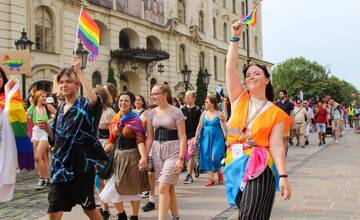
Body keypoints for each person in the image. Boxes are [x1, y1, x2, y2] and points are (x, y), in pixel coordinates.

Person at [223, 21, 291, 219]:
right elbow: (229, 68)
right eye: (248, 74)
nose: (251, 76)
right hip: (234, 164)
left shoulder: (277, 113)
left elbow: (277, 145)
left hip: (260, 166)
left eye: (257, 73)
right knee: (248, 213)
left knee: (249, 216)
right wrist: (235, 37)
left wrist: (284, 176)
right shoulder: (238, 99)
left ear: (267, 80)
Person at [38, 56, 108, 220]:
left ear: (77, 85)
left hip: (81, 168)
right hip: (60, 167)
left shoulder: (85, 105)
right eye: (61, 82)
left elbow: (95, 100)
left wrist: (79, 72)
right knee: (53, 211)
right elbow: (56, 138)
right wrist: (48, 129)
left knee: (89, 209)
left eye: (68, 81)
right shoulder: (60, 109)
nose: (64, 85)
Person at [100, 91, 149, 220]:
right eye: (121, 100)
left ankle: (134, 216)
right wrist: (99, 153)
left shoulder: (135, 119)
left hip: (131, 156)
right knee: (111, 187)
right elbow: (112, 141)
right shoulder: (116, 119)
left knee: (133, 190)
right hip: (117, 156)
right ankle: (122, 215)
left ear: (131, 104)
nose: (123, 103)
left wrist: (143, 157)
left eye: (126, 101)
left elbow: (140, 141)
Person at [145, 83, 186, 220]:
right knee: (169, 188)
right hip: (157, 151)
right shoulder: (151, 114)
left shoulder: (176, 112)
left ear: (165, 95)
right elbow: (149, 137)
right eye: (152, 94)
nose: (153, 96)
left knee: (162, 187)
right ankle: (176, 216)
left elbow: (182, 136)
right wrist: (144, 157)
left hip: (173, 150)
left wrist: (181, 158)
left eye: (156, 93)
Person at [0, 70, 33, 202]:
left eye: (0, 77)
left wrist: (9, 88)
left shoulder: (7, 99)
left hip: (4, 146)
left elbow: (9, 113)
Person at [95, 86, 116, 220]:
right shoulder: (93, 111)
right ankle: (105, 208)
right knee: (98, 180)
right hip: (95, 145)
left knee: (101, 178)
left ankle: (107, 208)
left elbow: (113, 137)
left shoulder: (109, 113)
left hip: (105, 147)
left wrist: (104, 150)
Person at [196, 96, 226, 186]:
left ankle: (220, 174)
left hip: (218, 137)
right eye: (205, 102)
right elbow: (200, 126)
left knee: (215, 156)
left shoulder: (219, 114)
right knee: (207, 156)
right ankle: (211, 178)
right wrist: (195, 137)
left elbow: (226, 125)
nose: (205, 104)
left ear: (213, 103)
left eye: (207, 102)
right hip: (205, 138)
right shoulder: (204, 114)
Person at [30, 90, 56, 190]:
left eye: (45, 96)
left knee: (37, 157)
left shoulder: (48, 107)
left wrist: (48, 122)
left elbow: (59, 115)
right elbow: (26, 115)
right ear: (37, 97)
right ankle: (47, 178)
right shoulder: (33, 108)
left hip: (45, 132)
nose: (44, 98)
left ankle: (42, 178)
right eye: (42, 96)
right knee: (44, 157)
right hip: (36, 131)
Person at [181, 91, 202, 184]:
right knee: (188, 156)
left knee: (190, 155)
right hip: (184, 136)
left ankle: (189, 175)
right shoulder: (182, 110)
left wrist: (197, 136)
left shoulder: (198, 110)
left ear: (194, 98)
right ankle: (195, 168)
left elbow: (200, 125)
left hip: (194, 136)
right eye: (186, 97)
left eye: (189, 97)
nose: (187, 99)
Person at [275, 89, 294, 155]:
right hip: (278, 124)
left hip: (286, 123)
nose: (280, 95)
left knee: (285, 139)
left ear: (285, 94)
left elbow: (292, 114)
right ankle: (281, 152)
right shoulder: (277, 103)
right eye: (279, 94)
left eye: (281, 94)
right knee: (280, 139)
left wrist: (292, 123)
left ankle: (284, 153)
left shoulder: (289, 104)